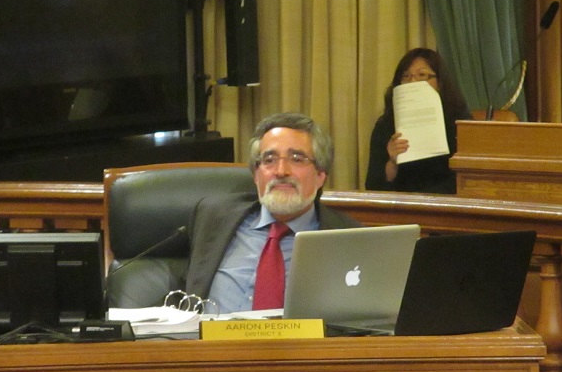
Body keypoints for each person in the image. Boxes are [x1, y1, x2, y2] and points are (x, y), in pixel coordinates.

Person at [185, 112, 362, 314]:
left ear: (320, 175)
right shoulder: (213, 216)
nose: (281, 171)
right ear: (256, 175)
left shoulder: (349, 238)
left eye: (296, 159)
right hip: (207, 343)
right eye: (269, 159)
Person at [365, 48, 472, 194]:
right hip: (401, 207)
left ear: (440, 82)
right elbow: (373, 187)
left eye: (422, 75)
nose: (412, 82)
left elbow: (467, 180)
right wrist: (392, 162)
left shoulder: (460, 121)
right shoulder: (386, 125)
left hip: (447, 207)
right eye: (406, 76)